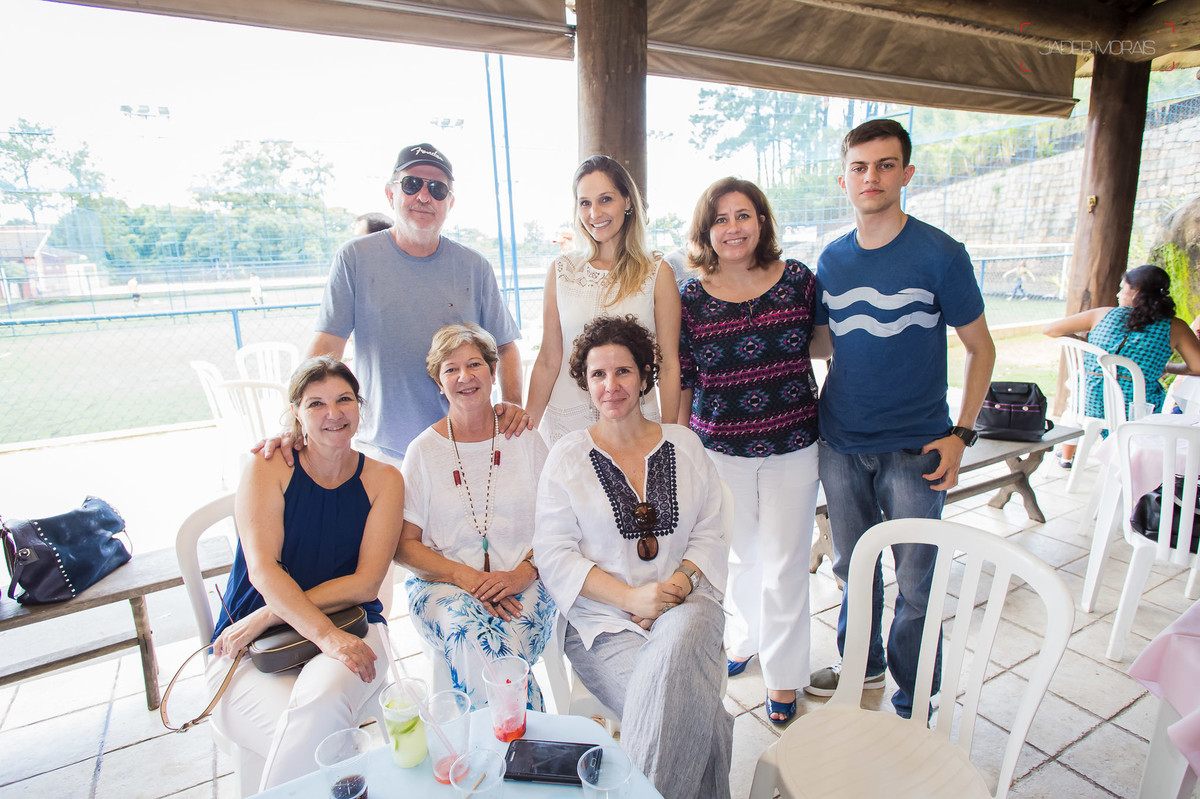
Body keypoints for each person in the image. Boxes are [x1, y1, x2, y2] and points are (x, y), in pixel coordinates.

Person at [806, 119, 996, 720]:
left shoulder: (940, 254)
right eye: (860, 167)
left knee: (916, 580)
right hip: (840, 441)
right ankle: (859, 664)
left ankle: (916, 696)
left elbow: (981, 349)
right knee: (852, 566)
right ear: (843, 180)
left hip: (918, 447)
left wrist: (961, 433)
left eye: (886, 165)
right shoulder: (831, 259)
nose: (872, 177)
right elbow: (821, 342)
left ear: (906, 174)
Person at [534, 315, 732, 799]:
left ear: (645, 376)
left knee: (686, 628)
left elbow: (712, 529)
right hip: (602, 625)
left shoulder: (684, 444)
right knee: (706, 720)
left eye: (622, 371)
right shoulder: (566, 457)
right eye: (598, 374)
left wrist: (676, 587)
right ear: (585, 383)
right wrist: (631, 599)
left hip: (688, 604)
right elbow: (554, 555)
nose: (611, 385)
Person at [258, 143, 529, 467]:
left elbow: (505, 346)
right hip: (382, 450)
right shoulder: (355, 258)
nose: (424, 196)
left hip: (463, 445)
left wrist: (513, 406)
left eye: (437, 189)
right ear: (390, 194)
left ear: (450, 202)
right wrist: (295, 423)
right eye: (412, 184)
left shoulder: (475, 266)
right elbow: (327, 347)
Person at [208, 356, 403, 790]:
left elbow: (365, 584)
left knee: (323, 707)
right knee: (321, 744)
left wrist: (270, 614)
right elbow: (263, 570)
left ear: (359, 406)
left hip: (352, 625)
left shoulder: (384, 480)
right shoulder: (267, 466)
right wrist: (317, 633)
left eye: (344, 399)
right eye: (316, 403)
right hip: (249, 647)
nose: (333, 413)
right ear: (295, 412)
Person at [677, 177, 820, 725]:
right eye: (720, 219)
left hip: (793, 444)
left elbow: (825, 345)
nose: (732, 228)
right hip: (719, 448)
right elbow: (682, 375)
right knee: (738, 558)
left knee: (785, 564)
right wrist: (679, 445)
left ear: (762, 221)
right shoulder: (690, 297)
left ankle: (784, 676)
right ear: (706, 231)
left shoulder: (798, 280)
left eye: (743, 215)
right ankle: (748, 637)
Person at [397, 323, 556, 709]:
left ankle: (495, 737)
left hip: (528, 580)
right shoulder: (423, 452)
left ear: (493, 371)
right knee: (472, 631)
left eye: (474, 364)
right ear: (439, 382)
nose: (464, 377)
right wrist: (465, 578)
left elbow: (561, 526)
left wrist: (523, 573)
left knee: (496, 641)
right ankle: (528, 735)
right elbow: (404, 547)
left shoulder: (525, 439)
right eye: (451, 369)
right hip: (444, 587)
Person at [525, 155, 681, 445]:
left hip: (636, 425)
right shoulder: (561, 270)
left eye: (605, 199)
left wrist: (670, 437)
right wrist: (526, 434)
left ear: (627, 201)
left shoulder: (658, 272)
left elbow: (669, 363)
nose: (594, 213)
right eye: (585, 203)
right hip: (567, 426)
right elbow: (548, 358)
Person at [1043, 264, 1200, 464]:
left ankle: (1068, 456)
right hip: (1136, 409)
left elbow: (1049, 329)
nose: (1118, 294)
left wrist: (1088, 344)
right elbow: (1197, 366)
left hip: (1090, 402)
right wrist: (1167, 368)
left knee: (1078, 395)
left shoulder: (1101, 315)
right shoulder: (1174, 327)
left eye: (1122, 288)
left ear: (1137, 291)